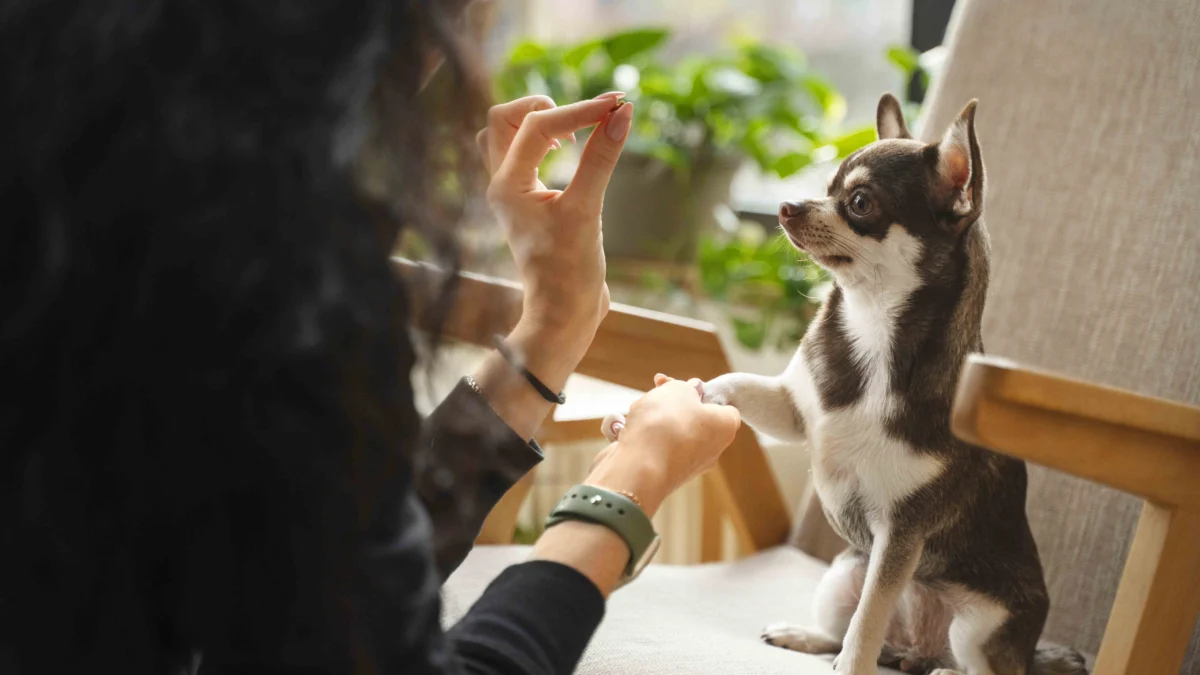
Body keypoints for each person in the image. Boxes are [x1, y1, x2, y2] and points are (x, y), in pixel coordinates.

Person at [0, 1, 742, 674]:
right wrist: (627, 483)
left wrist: (553, 325)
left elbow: (321, 578)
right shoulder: (264, 270)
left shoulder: (91, 204)